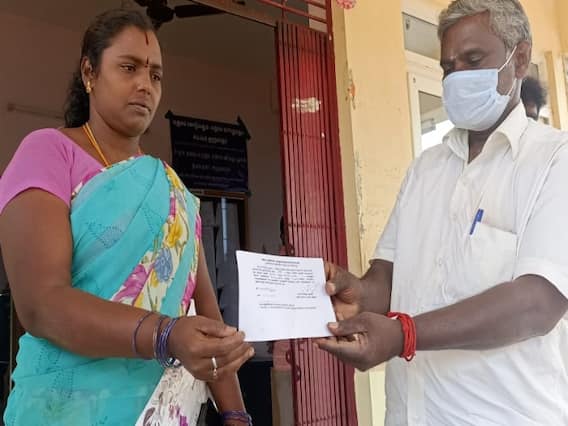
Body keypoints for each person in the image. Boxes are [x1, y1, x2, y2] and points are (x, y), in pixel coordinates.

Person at [317, 1, 568, 424]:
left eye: (473, 60)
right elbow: (389, 276)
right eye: (449, 67)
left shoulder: (555, 162)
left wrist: (404, 335)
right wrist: (357, 293)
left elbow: (538, 303)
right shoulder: (426, 169)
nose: (457, 78)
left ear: (520, 58)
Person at [0, 9, 254, 426]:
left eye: (155, 75)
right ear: (89, 72)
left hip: (161, 412)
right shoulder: (48, 153)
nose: (144, 85)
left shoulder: (174, 191)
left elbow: (207, 314)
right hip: (63, 411)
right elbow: (42, 304)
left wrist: (236, 414)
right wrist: (165, 334)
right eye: (129, 67)